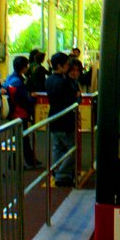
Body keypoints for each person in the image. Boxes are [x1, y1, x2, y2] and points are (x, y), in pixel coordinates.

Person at [44, 52, 79, 187]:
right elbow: (72, 100)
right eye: (66, 64)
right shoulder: (64, 83)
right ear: (60, 66)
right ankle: (62, 173)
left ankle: (56, 170)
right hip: (65, 120)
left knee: (56, 147)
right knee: (72, 149)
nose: (68, 67)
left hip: (53, 117)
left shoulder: (49, 80)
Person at [5, 55, 41, 168]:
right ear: (24, 68)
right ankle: (27, 161)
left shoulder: (10, 79)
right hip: (20, 113)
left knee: (19, 138)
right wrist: (32, 99)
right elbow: (23, 100)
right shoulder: (19, 82)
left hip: (12, 113)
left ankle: (16, 161)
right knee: (23, 138)